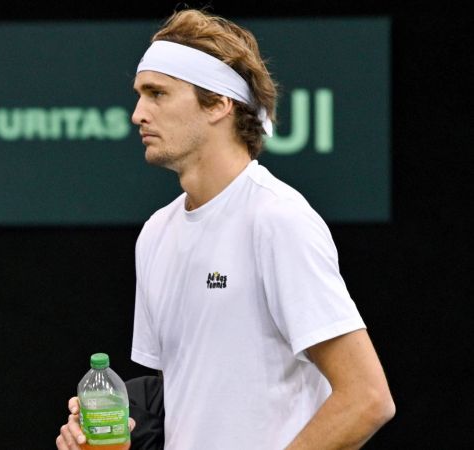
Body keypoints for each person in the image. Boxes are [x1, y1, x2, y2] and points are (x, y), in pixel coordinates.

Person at [57, 9, 394, 450]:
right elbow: (188, 403)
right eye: (140, 95)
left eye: (157, 94)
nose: (138, 113)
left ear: (218, 103)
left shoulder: (277, 219)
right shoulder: (156, 233)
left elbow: (367, 398)